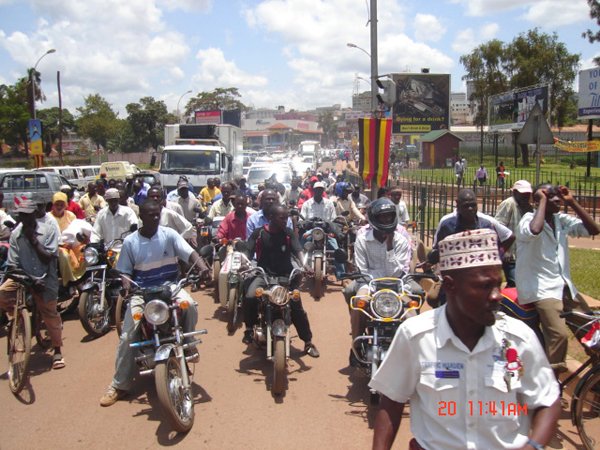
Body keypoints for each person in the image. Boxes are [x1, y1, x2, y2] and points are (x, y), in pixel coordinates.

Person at [370, 228, 561, 450]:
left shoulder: (519, 339)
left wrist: (534, 446)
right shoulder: (415, 336)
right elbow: (392, 402)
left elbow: (547, 401)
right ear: (450, 286)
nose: (497, 296)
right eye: (484, 286)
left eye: (497, 284)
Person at [99, 199, 210, 407]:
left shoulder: (169, 234)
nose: (155, 217)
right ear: (141, 216)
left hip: (170, 287)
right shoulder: (131, 242)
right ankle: (119, 384)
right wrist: (126, 284)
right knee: (127, 334)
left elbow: (190, 252)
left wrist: (203, 267)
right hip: (142, 292)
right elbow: (124, 270)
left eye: (158, 214)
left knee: (190, 305)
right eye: (151, 214)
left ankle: (187, 347)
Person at [516, 184, 599, 374]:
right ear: (537, 201)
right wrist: (542, 201)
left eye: (557, 197)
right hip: (542, 289)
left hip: (563, 287)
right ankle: (550, 385)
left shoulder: (560, 220)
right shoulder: (527, 220)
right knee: (559, 335)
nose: (556, 200)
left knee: (594, 331)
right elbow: (534, 230)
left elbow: (593, 230)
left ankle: (595, 382)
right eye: (549, 196)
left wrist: (572, 201)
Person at [241, 204, 319, 358]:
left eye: (286, 217)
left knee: (296, 306)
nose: (285, 220)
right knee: (250, 296)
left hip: (285, 276)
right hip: (263, 275)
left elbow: (298, 251)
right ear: (271, 217)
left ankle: (308, 342)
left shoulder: (288, 233)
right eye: (282, 217)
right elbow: (248, 252)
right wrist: (244, 264)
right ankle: (249, 329)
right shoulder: (259, 233)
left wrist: (305, 265)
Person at [0, 198, 65, 369]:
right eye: (21, 216)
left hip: (45, 277)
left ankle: (57, 350)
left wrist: (33, 239)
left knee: (50, 313)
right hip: (23, 276)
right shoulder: (16, 234)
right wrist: (26, 278)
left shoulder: (48, 228)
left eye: (28, 215)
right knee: (2, 293)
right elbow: (12, 263)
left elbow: (49, 257)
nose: (24, 219)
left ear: (34, 215)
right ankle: (17, 318)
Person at [346, 198, 411, 359]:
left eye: (389, 216)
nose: (386, 220)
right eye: (382, 217)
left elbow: (397, 273)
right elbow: (362, 270)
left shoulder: (401, 241)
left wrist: (390, 246)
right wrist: (377, 282)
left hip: (397, 286)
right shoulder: (362, 240)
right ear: (374, 218)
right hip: (369, 284)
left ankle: (413, 354)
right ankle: (357, 344)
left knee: (412, 312)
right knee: (358, 305)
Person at [300, 181, 344, 279]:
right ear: (313, 190)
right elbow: (302, 219)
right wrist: (307, 223)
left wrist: (329, 226)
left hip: (326, 231)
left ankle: (341, 274)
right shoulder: (307, 204)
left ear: (323, 191)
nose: (318, 191)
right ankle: (300, 269)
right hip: (311, 230)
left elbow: (333, 219)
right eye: (317, 189)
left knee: (336, 248)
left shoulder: (329, 203)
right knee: (301, 243)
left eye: (320, 189)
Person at [494, 180, 533, 287]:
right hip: (510, 255)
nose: (526, 196)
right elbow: (498, 227)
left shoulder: (529, 208)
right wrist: (505, 251)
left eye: (528, 194)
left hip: (523, 254)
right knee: (515, 282)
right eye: (523, 194)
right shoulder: (509, 203)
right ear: (515, 192)